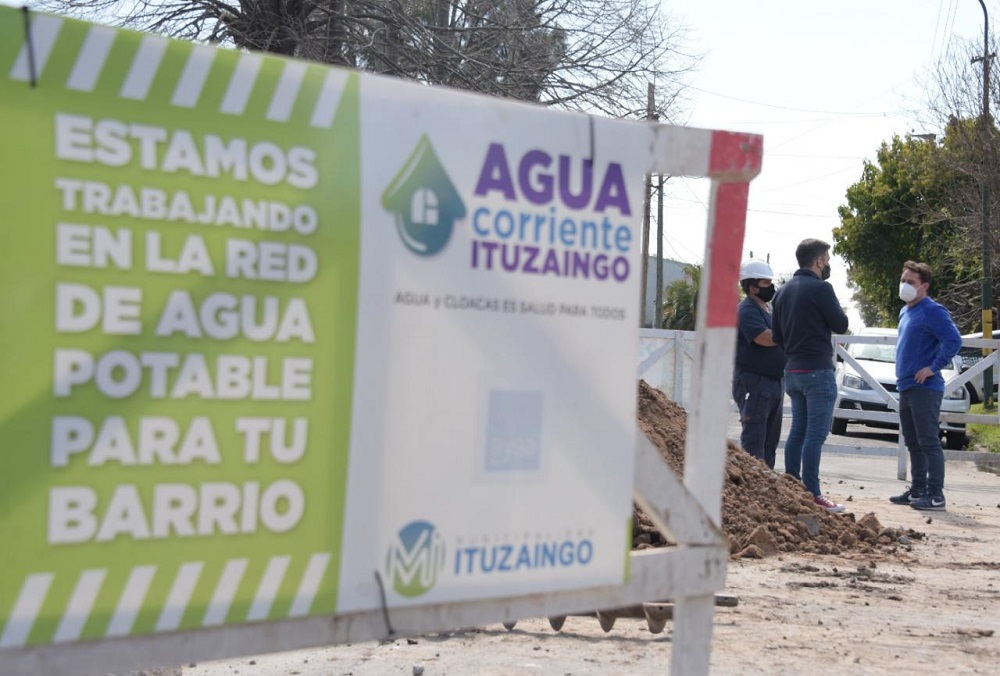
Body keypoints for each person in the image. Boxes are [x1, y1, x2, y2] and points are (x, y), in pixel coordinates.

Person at [772, 239, 850, 512]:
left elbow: (776, 336)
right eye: (827, 258)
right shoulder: (821, 288)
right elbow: (841, 324)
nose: (828, 263)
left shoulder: (781, 293)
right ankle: (813, 492)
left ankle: (792, 486)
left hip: (792, 370)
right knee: (816, 434)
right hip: (817, 370)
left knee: (798, 430)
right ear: (818, 260)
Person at [890, 260, 962, 511]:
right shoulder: (905, 311)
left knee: (929, 442)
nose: (905, 285)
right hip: (906, 385)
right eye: (903, 280)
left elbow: (953, 339)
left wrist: (933, 367)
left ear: (925, 287)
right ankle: (918, 489)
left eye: (911, 282)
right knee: (912, 441)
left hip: (926, 388)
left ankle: (936, 495)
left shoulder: (933, 310)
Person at [733, 259, 786, 469]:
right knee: (755, 443)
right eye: (766, 283)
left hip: (773, 383)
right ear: (752, 286)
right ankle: (752, 486)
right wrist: (787, 334)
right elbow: (764, 338)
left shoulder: (768, 309)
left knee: (770, 442)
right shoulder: (746, 310)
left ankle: (767, 488)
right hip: (754, 383)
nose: (771, 287)